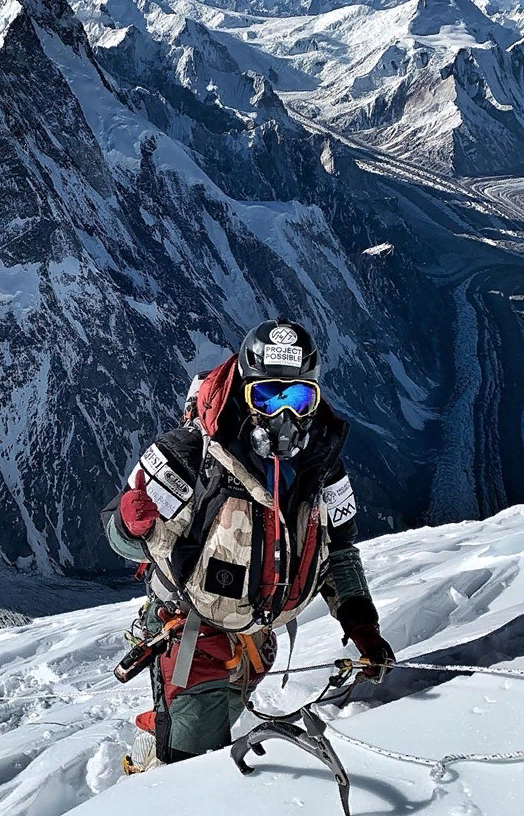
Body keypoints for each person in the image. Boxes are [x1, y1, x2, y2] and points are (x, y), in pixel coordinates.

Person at [102, 318, 394, 771]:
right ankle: (155, 766)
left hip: (256, 638)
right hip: (194, 637)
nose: (284, 416)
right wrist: (129, 523)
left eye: (297, 398)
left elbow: (337, 550)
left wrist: (361, 624)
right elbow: (125, 535)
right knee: (189, 765)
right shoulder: (189, 453)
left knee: (219, 723)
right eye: (267, 396)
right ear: (243, 390)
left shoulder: (322, 464)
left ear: (314, 398)